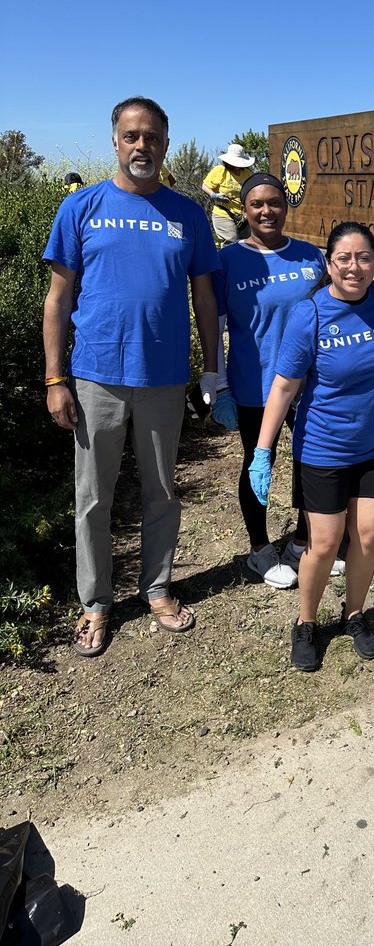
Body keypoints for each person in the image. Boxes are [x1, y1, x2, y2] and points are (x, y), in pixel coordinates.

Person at [43, 96, 220, 656]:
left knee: (162, 490)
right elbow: (57, 297)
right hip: (95, 375)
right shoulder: (82, 207)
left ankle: (158, 587)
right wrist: (54, 379)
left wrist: (212, 368)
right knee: (94, 496)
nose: (141, 145)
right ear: (115, 141)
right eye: (131, 136)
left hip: (165, 377)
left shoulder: (188, 214)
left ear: (165, 144)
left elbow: (206, 299)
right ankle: (95, 602)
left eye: (152, 137)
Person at [248, 221, 374, 672]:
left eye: (363, 257)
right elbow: (285, 386)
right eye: (344, 258)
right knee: (325, 544)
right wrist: (263, 450)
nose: (354, 267)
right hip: (323, 449)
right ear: (329, 264)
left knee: (368, 535)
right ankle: (307, 622)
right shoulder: (309, 314)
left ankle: (354, 613)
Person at [210, 173, 326, 588]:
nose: (266, 211)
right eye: (257, 204)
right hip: (254, 384)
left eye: (274, 202)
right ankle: (259, 550)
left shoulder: (311, 257)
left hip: (309, 386)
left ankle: (301, 540)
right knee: (258, 463)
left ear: (285, 206)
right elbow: (217, 324)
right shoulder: (227, 261)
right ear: (244, 210)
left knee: (311, 463)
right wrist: (218, 385)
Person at [202, 142, 255, 245]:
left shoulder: (247, 174)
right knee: (231, 240)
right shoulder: (220, 171)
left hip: (243, 214)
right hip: (223, 212)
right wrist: (214, 195)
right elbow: (205, 186)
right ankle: (225, 261)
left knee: (246, 243)